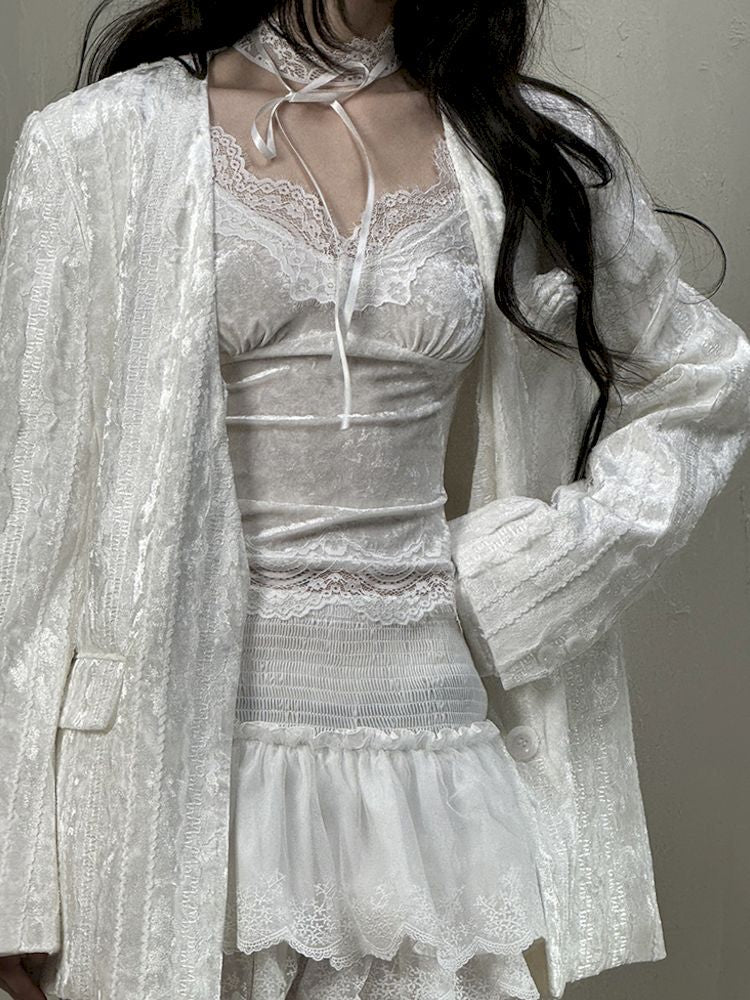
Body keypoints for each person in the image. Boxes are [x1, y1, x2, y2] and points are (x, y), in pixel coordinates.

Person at [1, 2, 749, 999]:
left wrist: (529, 576)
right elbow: (34, 524)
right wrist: (15, 875)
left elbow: (702, 381)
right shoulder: (98, 141)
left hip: (425, 758)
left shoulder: (518, 143)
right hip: (162, 779)